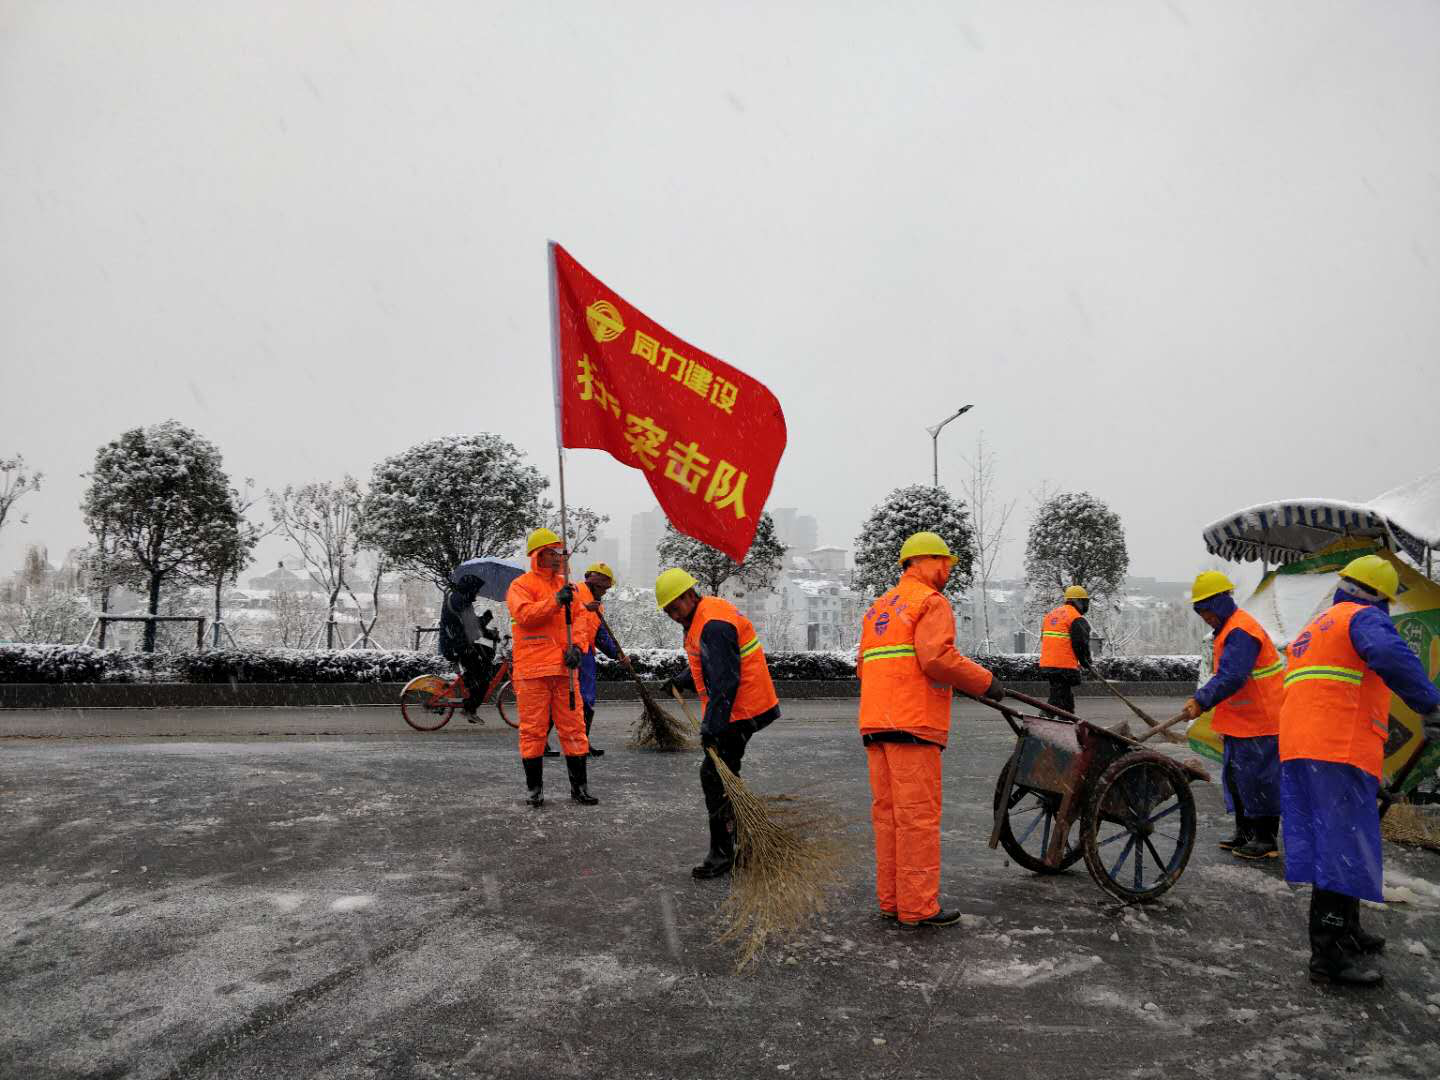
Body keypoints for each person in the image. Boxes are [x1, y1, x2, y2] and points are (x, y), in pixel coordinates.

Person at [1279, 554, 1440, 986]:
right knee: (1340, 845)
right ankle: (1328, 956)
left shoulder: (1317, 626)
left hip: (1302, 749)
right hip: (1336, 750)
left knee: (1339, 840)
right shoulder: (1362, 617)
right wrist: (1429, 704)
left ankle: (1347, 931)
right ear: (1377, 597)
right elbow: (1387, 652)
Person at [858, 532, 1005, 929]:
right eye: (944, 563)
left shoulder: (879, 608)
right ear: (924, 560)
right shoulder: (930, 601)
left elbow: (864, 666)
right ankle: (918, 907)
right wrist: (985, 682)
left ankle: (892, 901)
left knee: (888, 818)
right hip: (913, 724)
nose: (947, 571)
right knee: (916, 818)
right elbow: (937, 658)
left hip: (875, 724)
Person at [656, 567, 780, 879]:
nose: (673, 614)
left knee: (714, 776)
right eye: (667, 611)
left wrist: (712, 728)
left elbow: (725, 681)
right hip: (737, 706)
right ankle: (739, 839)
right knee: (724, 775)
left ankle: (723, 853)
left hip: (743, 708)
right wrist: (681, 680)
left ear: (689, 595)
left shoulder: (712, 624)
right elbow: (709, 662)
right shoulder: (702, 616)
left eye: (675, 606)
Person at [1176, 571, 1284, 860]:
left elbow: (1233, 676)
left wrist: (1201, 700)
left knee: (1258, 780)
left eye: (1206, 609)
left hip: (1261, 719)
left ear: (1220, 602)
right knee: (1238, 779)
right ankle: (1245, 832)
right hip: (1242, 721)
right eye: (1199, 611)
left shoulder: (1241, 630)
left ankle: (1265, 839)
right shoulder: (1227, 630)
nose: (1204, 616)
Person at [505, 527, 599, 808]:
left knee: (574, 728)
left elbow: (580, 621)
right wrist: (555, 602)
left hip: (564, 670)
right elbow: (525, 615)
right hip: (532, 671)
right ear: (538, 555)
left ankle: (579, 788)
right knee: (533, 730)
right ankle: (534, 790)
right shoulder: (521, 586)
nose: (559, 557)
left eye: (561, 552)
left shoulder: (570, 588)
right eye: (553, 552)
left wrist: (577, 647)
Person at [574, 561, 629, 757]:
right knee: (563, 699)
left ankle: (582, 743)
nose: (605, 592)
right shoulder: (575, 592)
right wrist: (584, 608)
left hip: (586, 655)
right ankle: (543, 742)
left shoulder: (599, 606)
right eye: (604, 588)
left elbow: (600, 635)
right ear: (595, 583)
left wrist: (617, 654)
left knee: (586, 700)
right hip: (570, 653)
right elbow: (562, 615)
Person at [438, 567, 498, 720]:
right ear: (470, 589)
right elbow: (472, 627)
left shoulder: (460, 598)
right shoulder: (460, 601)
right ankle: (469, 708)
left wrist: (488, 631)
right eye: (476, 591)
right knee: (483, 678)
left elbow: (471, 625)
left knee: (483, 664)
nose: (477, 594)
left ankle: (470, 693)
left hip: (458, 644)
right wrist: (486, 620)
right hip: (457, 646)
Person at [1038, 585, 1092, 713]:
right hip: (1063, 667)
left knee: (1064, 698)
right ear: (1078, 601)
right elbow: (1081, 644)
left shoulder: (1051, 615)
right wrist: (1086, 662)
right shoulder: (1076, 618)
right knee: (1057, 699)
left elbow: (1045, 639)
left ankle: (1068, 720)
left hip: (1047, 664)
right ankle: (1042, 720)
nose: (1086, 606)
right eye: (1085, 602)